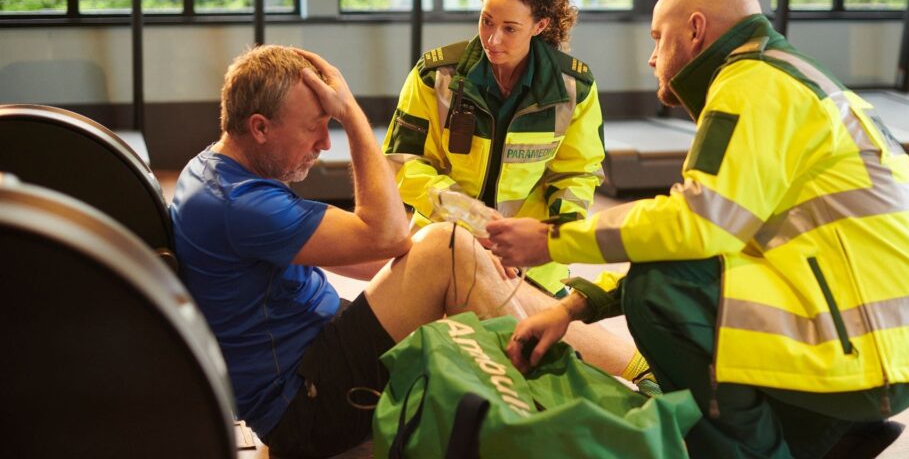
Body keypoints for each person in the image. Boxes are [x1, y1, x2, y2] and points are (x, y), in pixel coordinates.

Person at [488, 0, 909, 459]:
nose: (651, 58)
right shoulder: (783, 77)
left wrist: (551, 239)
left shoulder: (752, 84)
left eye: (658, 38)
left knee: (661, 295)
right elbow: (703, 242)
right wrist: (571, 308)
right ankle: (822, 435)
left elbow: (696, 226)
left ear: (694, 30)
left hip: (866, 351)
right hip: (892, 347)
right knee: (675, 274)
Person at [170, 44, 632, 458]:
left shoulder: (215, 172)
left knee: (452, 250)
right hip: (305, 408)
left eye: (331, 125)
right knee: (444, 245)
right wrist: (352, 116)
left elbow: (369, 250)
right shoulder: (241, 206)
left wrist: (464, 256)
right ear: (260, 127)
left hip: (315, 367)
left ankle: (632, 371)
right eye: (315, 127)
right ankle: (611, 408)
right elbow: (387, 237)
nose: (323, 142)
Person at [382, 0, 602, 299]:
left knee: (544, 347)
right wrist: (472, 221)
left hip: (532, 260)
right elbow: (401, 162)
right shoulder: (435, 75)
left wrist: (553, 239)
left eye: (510, 28)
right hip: (443, 242)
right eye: (486, 21)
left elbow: (578, 173)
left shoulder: (574, 88)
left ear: (540, 25)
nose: (492, 38)